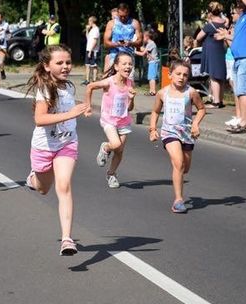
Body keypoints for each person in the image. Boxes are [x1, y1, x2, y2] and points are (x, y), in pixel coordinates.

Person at [25, 45, 88, 256]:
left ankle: (67, 239)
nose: (65, 67)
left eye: (68, 62)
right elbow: (40, 119)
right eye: (59, 63)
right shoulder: (44, 89)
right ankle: (32, 178)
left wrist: (81, 109)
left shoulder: (69, 87)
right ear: (47, 65)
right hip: (44, 146)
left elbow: (68, 109)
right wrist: (71, 114)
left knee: (64, 186)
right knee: (43, 189)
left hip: (67, 143)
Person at [149, 59, 206, 213]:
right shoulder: (162, 93)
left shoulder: (191, 92)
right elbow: (155, 111)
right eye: (178, 74)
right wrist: (153, 128)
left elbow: (201, 109)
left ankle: (178, 175)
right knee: (179, 163)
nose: (181, 77)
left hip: (187, 133)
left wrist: (195, 124)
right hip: (169, 132)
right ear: (170, 74)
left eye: (185, 75)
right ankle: (178, 200)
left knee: (184, 168)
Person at [85, 52, 136, 188]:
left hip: (124, 121)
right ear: (116, 66)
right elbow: (90, 87)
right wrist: (88, 106)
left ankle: (111, 174)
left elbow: (130, 108)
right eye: (124, 64)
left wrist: (131, 98)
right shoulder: (109, 82)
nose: (128, 66)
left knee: (119, 151)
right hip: (109, 120)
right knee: (115, 144)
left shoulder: (130, 83)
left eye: (130, 64)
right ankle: (106, 147)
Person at [216, 0, 246, 133]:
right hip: (238, 59)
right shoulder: (241, 19)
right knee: (239, 91)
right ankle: (242, 120)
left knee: (243, 91)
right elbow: (236, 42)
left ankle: (245, 122)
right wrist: (227, 36)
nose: (237, 4)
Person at [196, 2, 227, 108]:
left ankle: (216, 101)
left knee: (213, 76)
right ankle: (221, 100)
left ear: (210, 12)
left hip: (212, 51)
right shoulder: (224, 23)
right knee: (221, 76)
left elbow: (198, 37)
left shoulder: (209, 25)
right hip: (221, 50)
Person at [103, 3, 143, 72]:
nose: (123, 18)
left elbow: (140, 42)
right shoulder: (111, 23)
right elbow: (105, 43)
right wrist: (117, 44)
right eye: (120, 16)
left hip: (129, 58)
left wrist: (131, 43)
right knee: (112, 82)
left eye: (125, 16)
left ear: (128, 13)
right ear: (117, 13)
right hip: (114, 57)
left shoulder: (134, 23)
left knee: (128, 82)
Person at [136, 30, 159, 95]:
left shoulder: (151, 44)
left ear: (147, 37)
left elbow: (143, 54)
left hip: (153, 62)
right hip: (151, 62)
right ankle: (151, 91)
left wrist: (134, 52)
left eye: (143, 37)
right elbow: (144, 50)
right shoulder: (150, 44)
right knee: (150, 77)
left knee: (152, 78)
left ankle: (153, 91)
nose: (143, 39)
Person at [83, 16, 100, 86]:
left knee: (94, 65)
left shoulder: (96, 30)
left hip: (93, 50)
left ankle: (94, 80)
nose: (88, 23)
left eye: (89, 21)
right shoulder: (92, 29)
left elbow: (95, 41)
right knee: (87, 64)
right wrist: (87, 30)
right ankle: (87, 80)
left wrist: (90, 51)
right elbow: (88, 38)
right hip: (88, 49)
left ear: (92, 21)